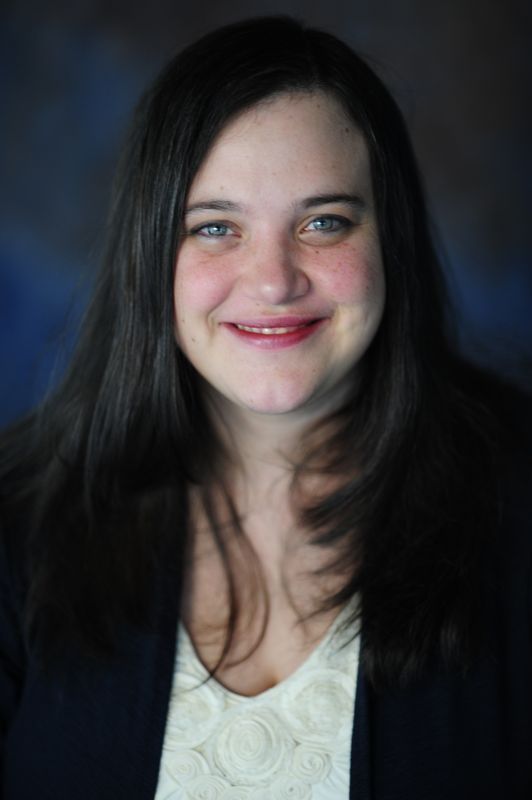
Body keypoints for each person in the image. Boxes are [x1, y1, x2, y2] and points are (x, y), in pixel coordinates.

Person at [0, 15, 530, 800]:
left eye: (324, 223)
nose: (274, 281)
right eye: (215, 228)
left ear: (393, 241)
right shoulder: (19, 522)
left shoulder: (517, 506)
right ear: (151, 256)